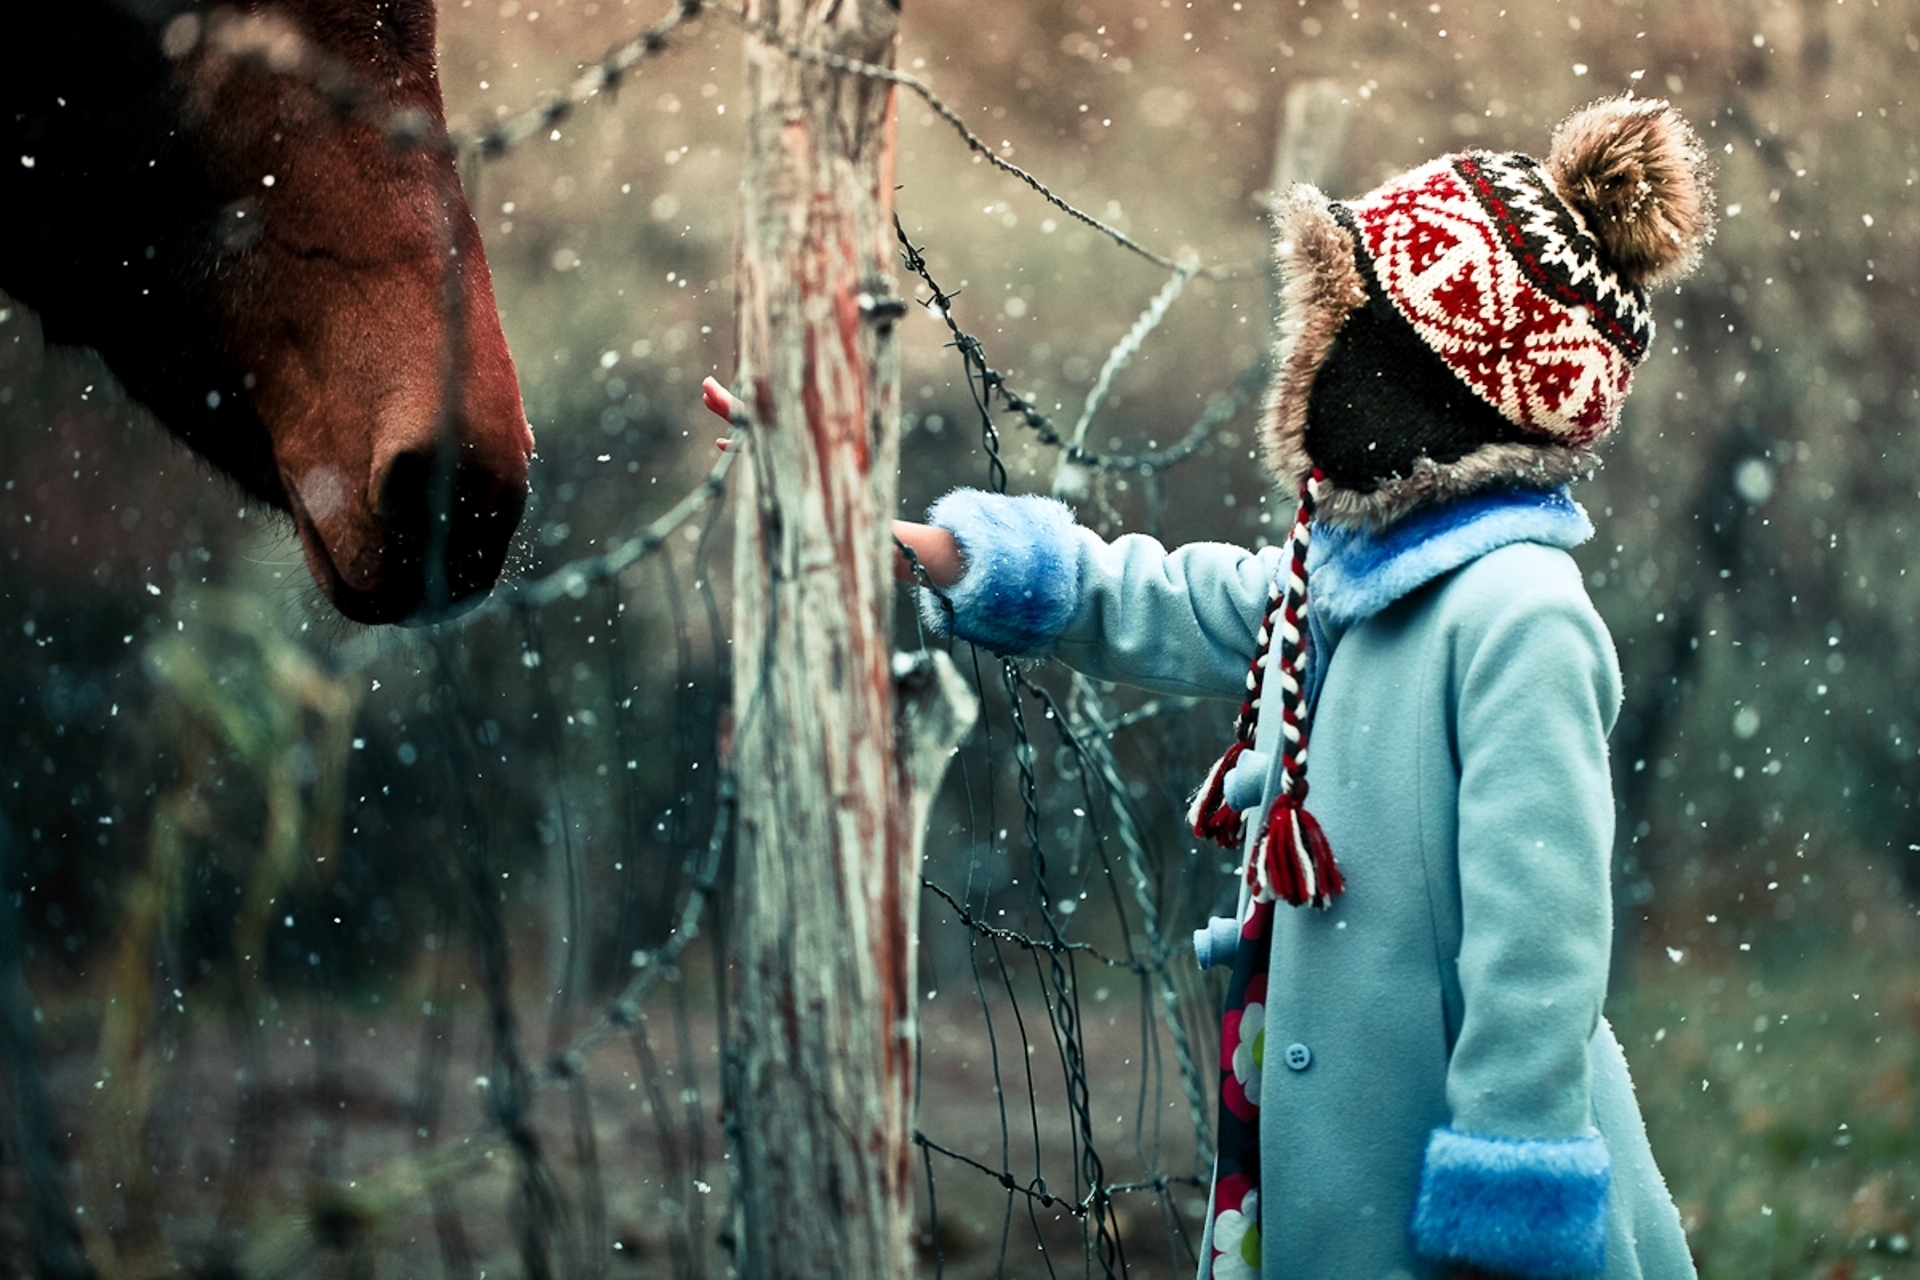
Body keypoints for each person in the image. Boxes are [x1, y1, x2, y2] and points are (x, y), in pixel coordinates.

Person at [707, 94, 1710, 1279]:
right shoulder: (1338, 584)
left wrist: (1505, 1194)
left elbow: (1539, 949)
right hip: (1332, 1166)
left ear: (1437, 378)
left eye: (1349, 331)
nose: (1316, 361)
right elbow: (1153, 597)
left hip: (1449, 1207)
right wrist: (909, 541)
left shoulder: (1518, 616)